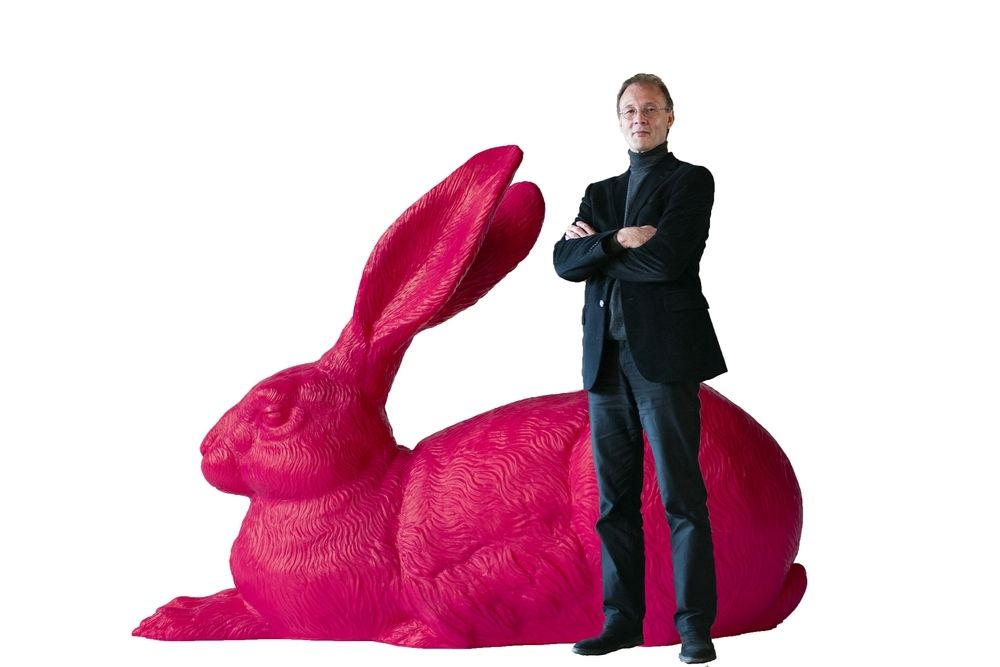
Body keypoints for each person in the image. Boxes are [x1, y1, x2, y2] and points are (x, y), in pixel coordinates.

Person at [553, 73, 726, 664]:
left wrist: (597, 250)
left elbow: (669, 262)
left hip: (663, 361)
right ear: (619, 119)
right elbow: (563, 262)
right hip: (605, 364)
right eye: (629, 110)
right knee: (613, 504)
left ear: (670, 117)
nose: (639, 118)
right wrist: (618, 239)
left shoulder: (690, 181)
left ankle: (694, 627)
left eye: (650, 108)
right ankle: (621, 622)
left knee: (682, 499)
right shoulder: (600, 192)